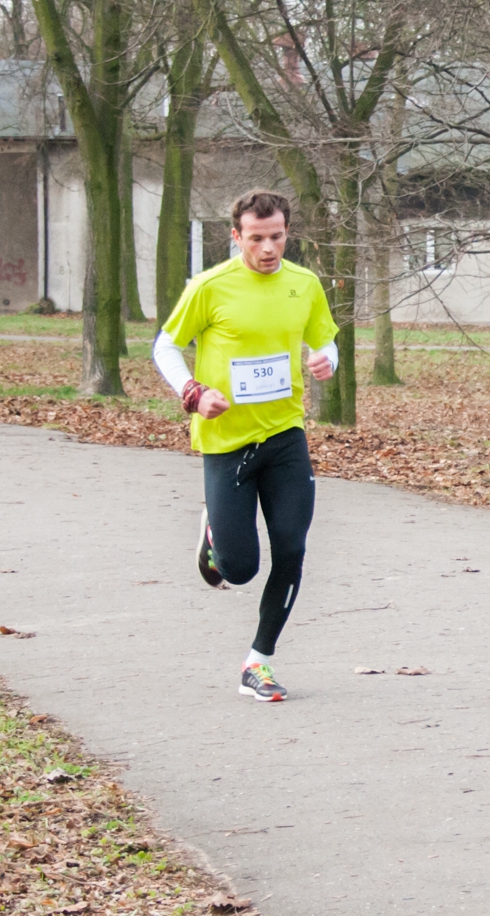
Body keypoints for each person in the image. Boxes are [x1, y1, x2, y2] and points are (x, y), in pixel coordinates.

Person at [151, 189, 339, 702]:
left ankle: (260, 662)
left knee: (293, 547)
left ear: (286, 233)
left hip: (285, 435)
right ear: (237, 237)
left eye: (276, 236)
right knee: (239, 569)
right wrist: (192, 391)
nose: (268, 248)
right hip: (227, 441)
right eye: (256, 238)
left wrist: (327, 360)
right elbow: (165, 345)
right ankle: (216, 532)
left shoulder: (304, 284)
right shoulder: (209, 287)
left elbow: (325, 340)